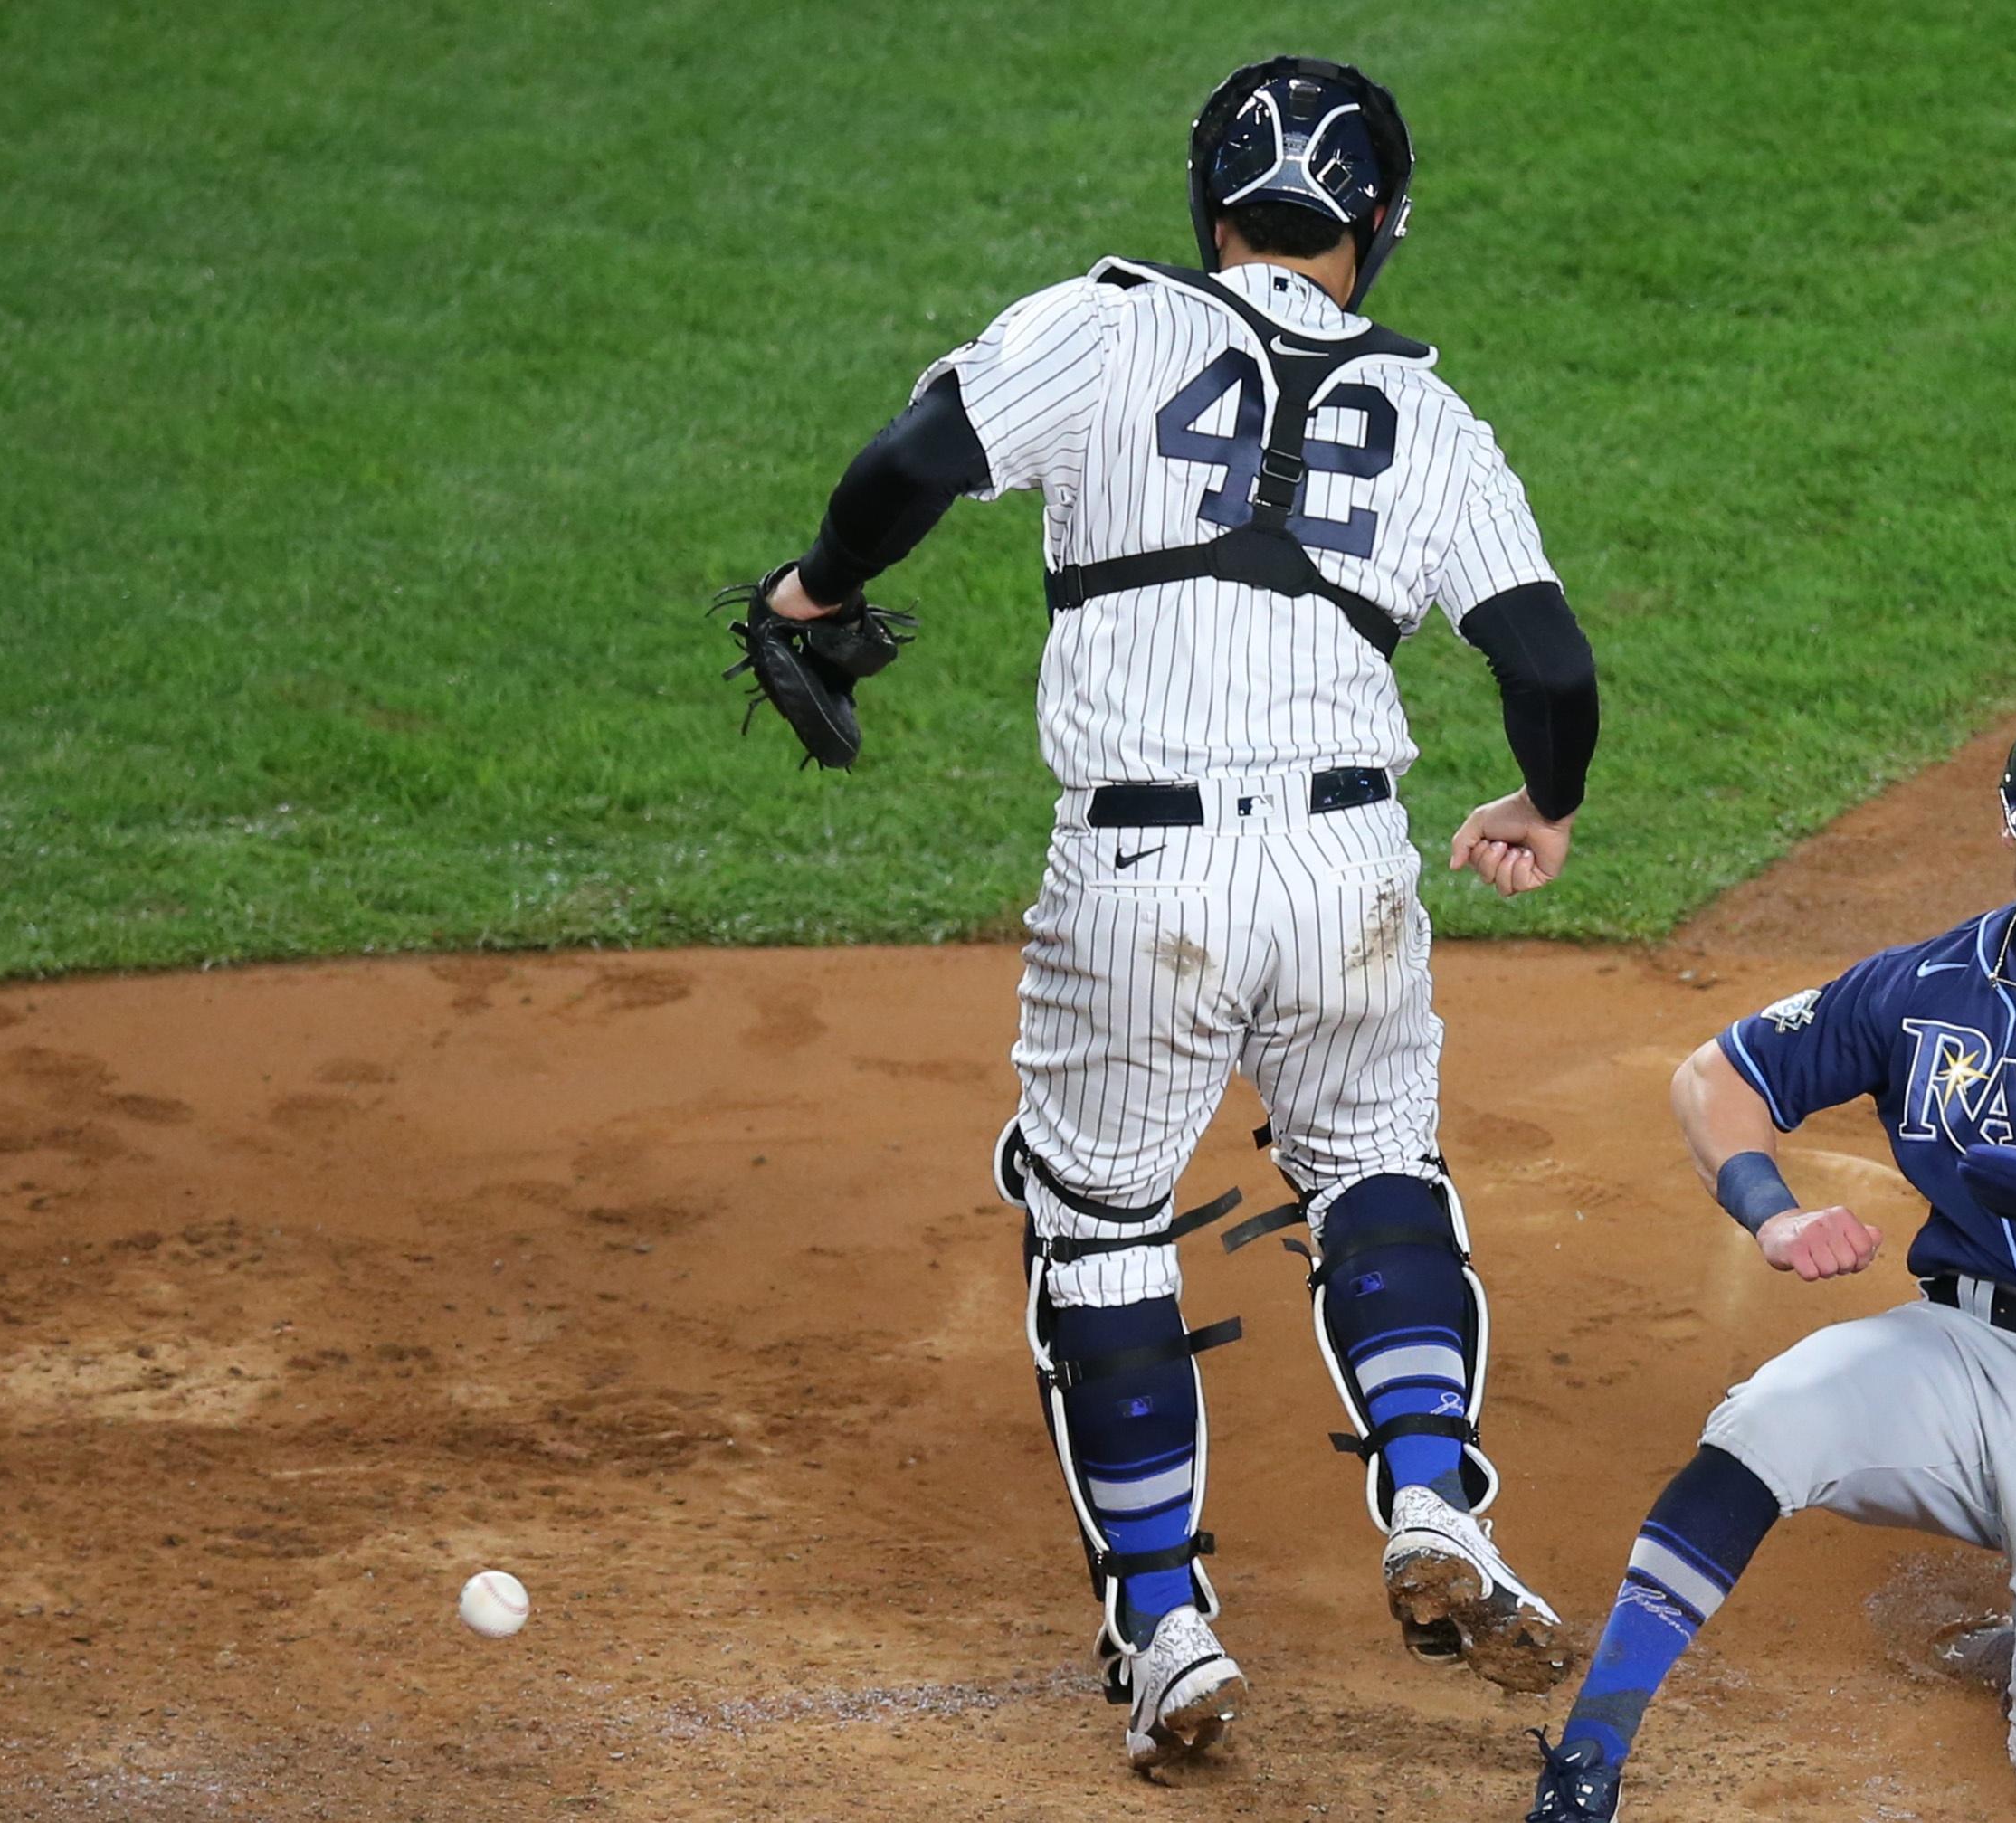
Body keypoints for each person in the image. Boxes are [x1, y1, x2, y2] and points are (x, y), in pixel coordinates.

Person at [737, 56, 1598, 1772]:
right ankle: (1430, 1496)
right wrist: (1542, 806)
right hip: (1350, 873)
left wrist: (813, 589)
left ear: (1211, 208)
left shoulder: (1106, 324)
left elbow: (911, 459)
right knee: (1377, 1174)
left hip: (1142, 882)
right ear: (1379, 230)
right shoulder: (1431, 416)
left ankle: (1167, 1623)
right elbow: (1550, 668)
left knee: (1106, 1226)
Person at [1522, 691, 2016, 1818]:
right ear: (2015, 832)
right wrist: (1769, 1210)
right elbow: (1711, 1079)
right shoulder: (1920, 986)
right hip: (1958, 1356)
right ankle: (1587, 1755)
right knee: (1764, 1418)